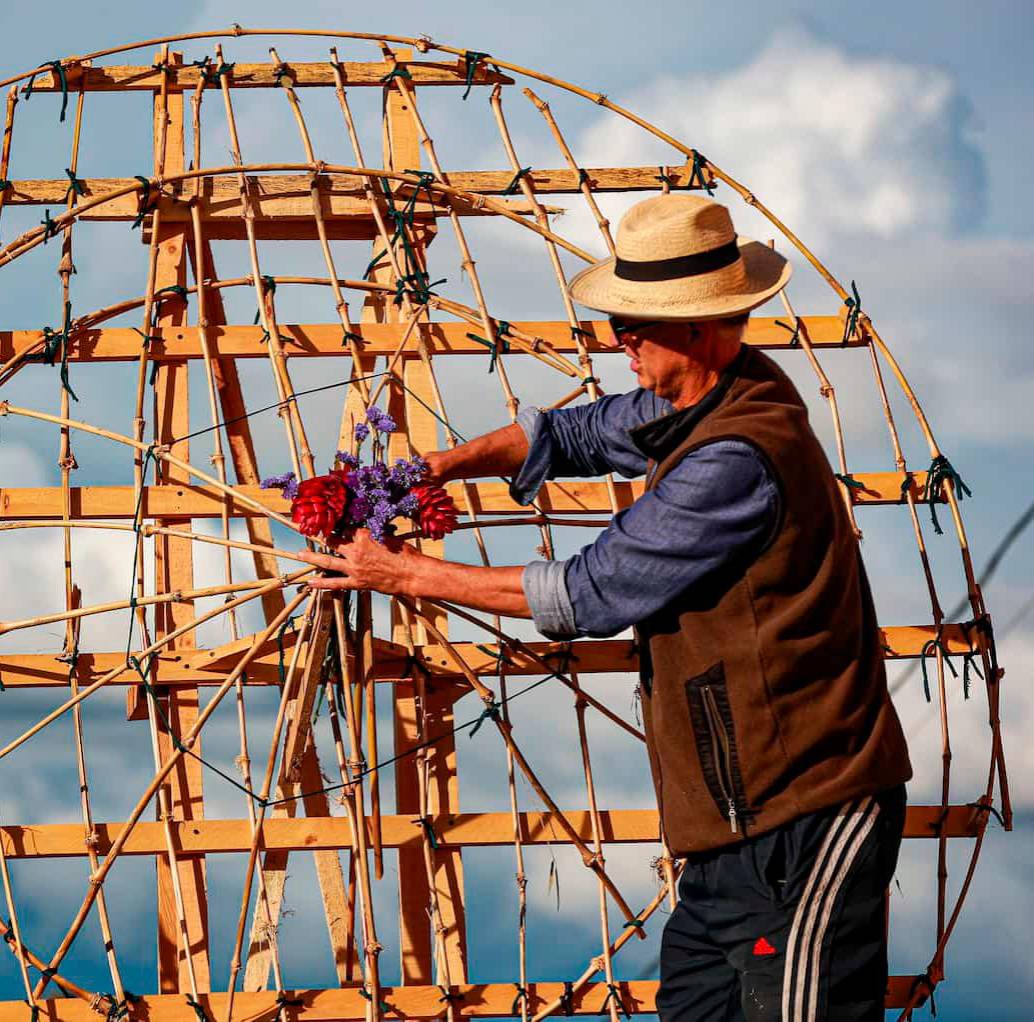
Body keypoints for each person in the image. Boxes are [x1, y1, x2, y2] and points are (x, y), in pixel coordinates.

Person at [299, 194, 912, 1021]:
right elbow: (573, 435)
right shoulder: (705, 395)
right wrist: (435, 467)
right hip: (730, 828)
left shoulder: (735, 456)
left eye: (635, 325)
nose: (618, 339)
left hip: (801, 812)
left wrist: (404, 575)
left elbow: (588, 592)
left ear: (701, 327)